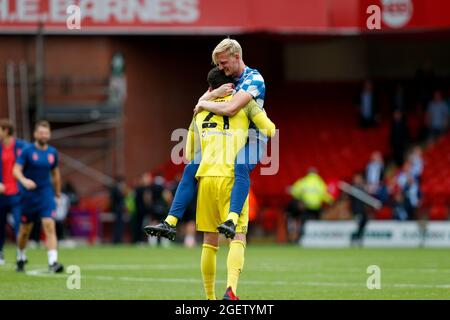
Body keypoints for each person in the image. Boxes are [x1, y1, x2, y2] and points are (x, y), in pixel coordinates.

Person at [145, 38, 266, 242]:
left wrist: (207, 102)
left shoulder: (254, 79)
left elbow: (229, 108)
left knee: (241, 165)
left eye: (223, 62)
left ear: (237, 57)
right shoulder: (222, 78)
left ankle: (232, 219)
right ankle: (170, 222)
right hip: (225, 140)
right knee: (191, 168)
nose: (220, 67)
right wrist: (214, 94)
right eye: (218, 63)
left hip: (251, 139)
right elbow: (198, 105)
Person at [13, 120, 63, 273]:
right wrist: (23, 180)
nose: (43, 135)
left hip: (45, 194)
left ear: (49, 135)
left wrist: (58, 194)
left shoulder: (52, 152)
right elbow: (16, 170)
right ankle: (21, 255)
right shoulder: (27, 151)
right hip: (28, 196)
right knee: (24, 232)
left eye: (46, 133)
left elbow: (55, 174)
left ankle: (53, 262)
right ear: (35, 134)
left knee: (49, 224)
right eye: (41, 133)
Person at [0, 119, 28, 265]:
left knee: (20, 224)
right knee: (0, 225)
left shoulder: (22, 147)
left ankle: (21, 253)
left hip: (18, 193)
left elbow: (31, 163)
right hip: (2, 194)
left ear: (5, 131)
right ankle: (0, 253)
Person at [288, 168, 333, 242]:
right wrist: (330, 201)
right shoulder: (319, 182)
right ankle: (318, 239)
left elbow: (295, 192)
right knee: (317, 223)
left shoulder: (303, 181)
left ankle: (301, 239)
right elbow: (324, 195)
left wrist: (300, 198)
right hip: (317, 207)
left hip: (306, 206)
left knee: (303, 223)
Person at [350, 173, 368, 246]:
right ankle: (355, 239)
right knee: (358, 225)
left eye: (359, 178)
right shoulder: (352, 189)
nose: (358, 180)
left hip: (363, 210)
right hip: (356, 211)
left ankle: (358, 238)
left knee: (362, 225)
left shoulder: (363, 188)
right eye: (357, 178)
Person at [109, 176, 127, 244]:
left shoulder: (117, 189)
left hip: (119, 210)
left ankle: (118, 239)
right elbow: (114, 200)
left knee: (119, 225)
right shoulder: (115, 189)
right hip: (117, 210)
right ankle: (117, 239)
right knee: (118, 225)